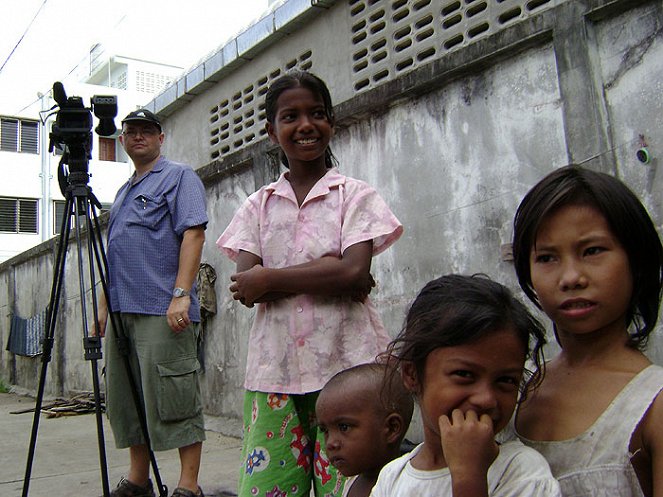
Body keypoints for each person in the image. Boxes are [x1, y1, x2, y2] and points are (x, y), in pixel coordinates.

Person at [216, 70, 403, 497]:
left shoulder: (355, 196)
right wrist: (327, 272)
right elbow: (246, 288)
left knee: (350, 487)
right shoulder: (256, 206)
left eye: (317, 114)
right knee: (271, 487)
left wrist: (274, 277)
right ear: (271, 130)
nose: (305, 125)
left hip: (347, 369)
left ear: (331, 123)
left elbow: (354, 272)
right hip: (274, 374)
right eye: (290, 116)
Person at [511, 165, 663, 496]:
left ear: (636, 260)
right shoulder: (512, 392)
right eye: (547, 257)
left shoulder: (653, 402)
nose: (571, 277)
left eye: (592, 251)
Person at [96, 109, 208, 497]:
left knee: (174, 396)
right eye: (131, 132)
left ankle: (188, 485)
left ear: (161, 138)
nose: (138, 137)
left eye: (147, 131)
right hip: (122, 312)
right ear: (123, 140)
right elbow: (116, 254)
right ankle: (139, 478)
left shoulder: (179, 177)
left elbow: (193, 234)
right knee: (127, 398)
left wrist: (180, 295)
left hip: (163, 309)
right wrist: (102, 309)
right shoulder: (123, 192)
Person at [371, 274, 561, 497]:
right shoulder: (392, 478)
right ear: (412, 375)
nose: (486, 399)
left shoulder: (522, 472)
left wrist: (468, 478)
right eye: (464, 374)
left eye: (506, 380)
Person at [315, 363, 414, 497]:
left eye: (344, 427)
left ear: (391, 428)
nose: (331, 443)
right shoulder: (352, 482)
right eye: (325, 430)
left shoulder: (405, 488)